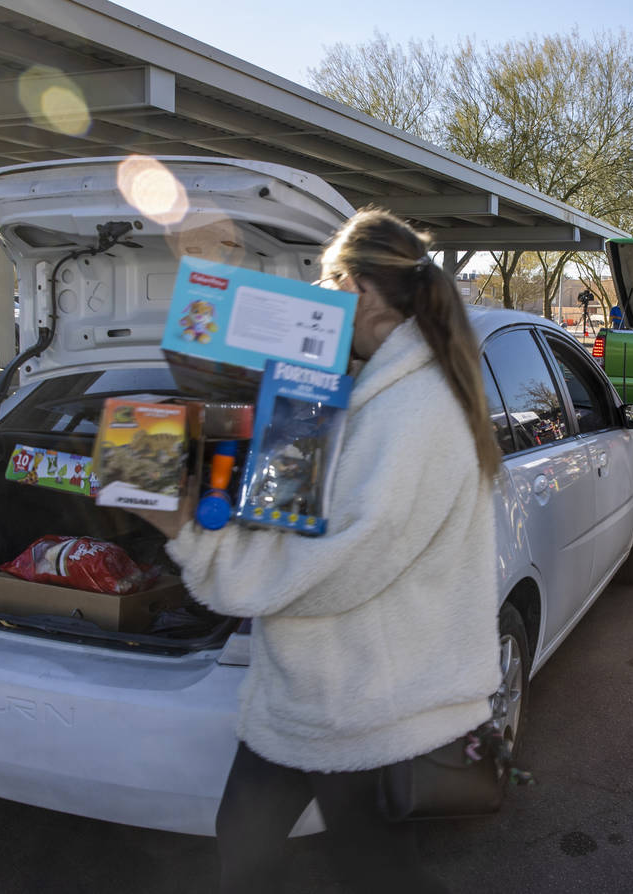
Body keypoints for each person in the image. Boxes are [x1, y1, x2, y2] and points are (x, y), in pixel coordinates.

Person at [137, 208, 503, 893]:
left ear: (361, 290)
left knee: (367, 872)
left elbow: (341, 561)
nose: (320, 301)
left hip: (365, 706)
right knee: (250, 849)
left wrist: (189, 534)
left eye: (328, 283)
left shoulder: (415, 409)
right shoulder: (374, 390)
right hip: (308, 695)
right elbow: (304, 509)